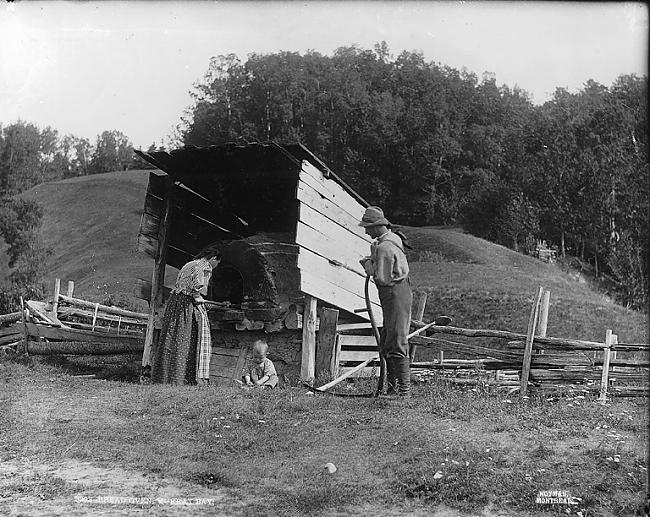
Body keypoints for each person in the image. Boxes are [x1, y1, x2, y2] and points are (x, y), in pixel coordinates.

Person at [358, 206, 413, 397]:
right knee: (388, 339)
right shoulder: (389, 240)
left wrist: (368, 265)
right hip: (394, 294)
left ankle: (403, 392)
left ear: (376, 226)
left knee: (396, 339)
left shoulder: (385, 247)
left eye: (367, 227)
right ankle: (392, 388)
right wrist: (372, 257)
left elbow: (381, 277)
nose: (365, 231)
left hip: (395, 294)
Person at [151, 249, 221, 385]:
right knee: (185, 338)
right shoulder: (205, 266)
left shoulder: (189, 264)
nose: (217, 266)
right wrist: (201, 297)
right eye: (218, 263)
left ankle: (164, 377)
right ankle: (181, 379)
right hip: (185, 304)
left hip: (175, 302)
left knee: (172, 337)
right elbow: (199, 288)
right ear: (213, 258)